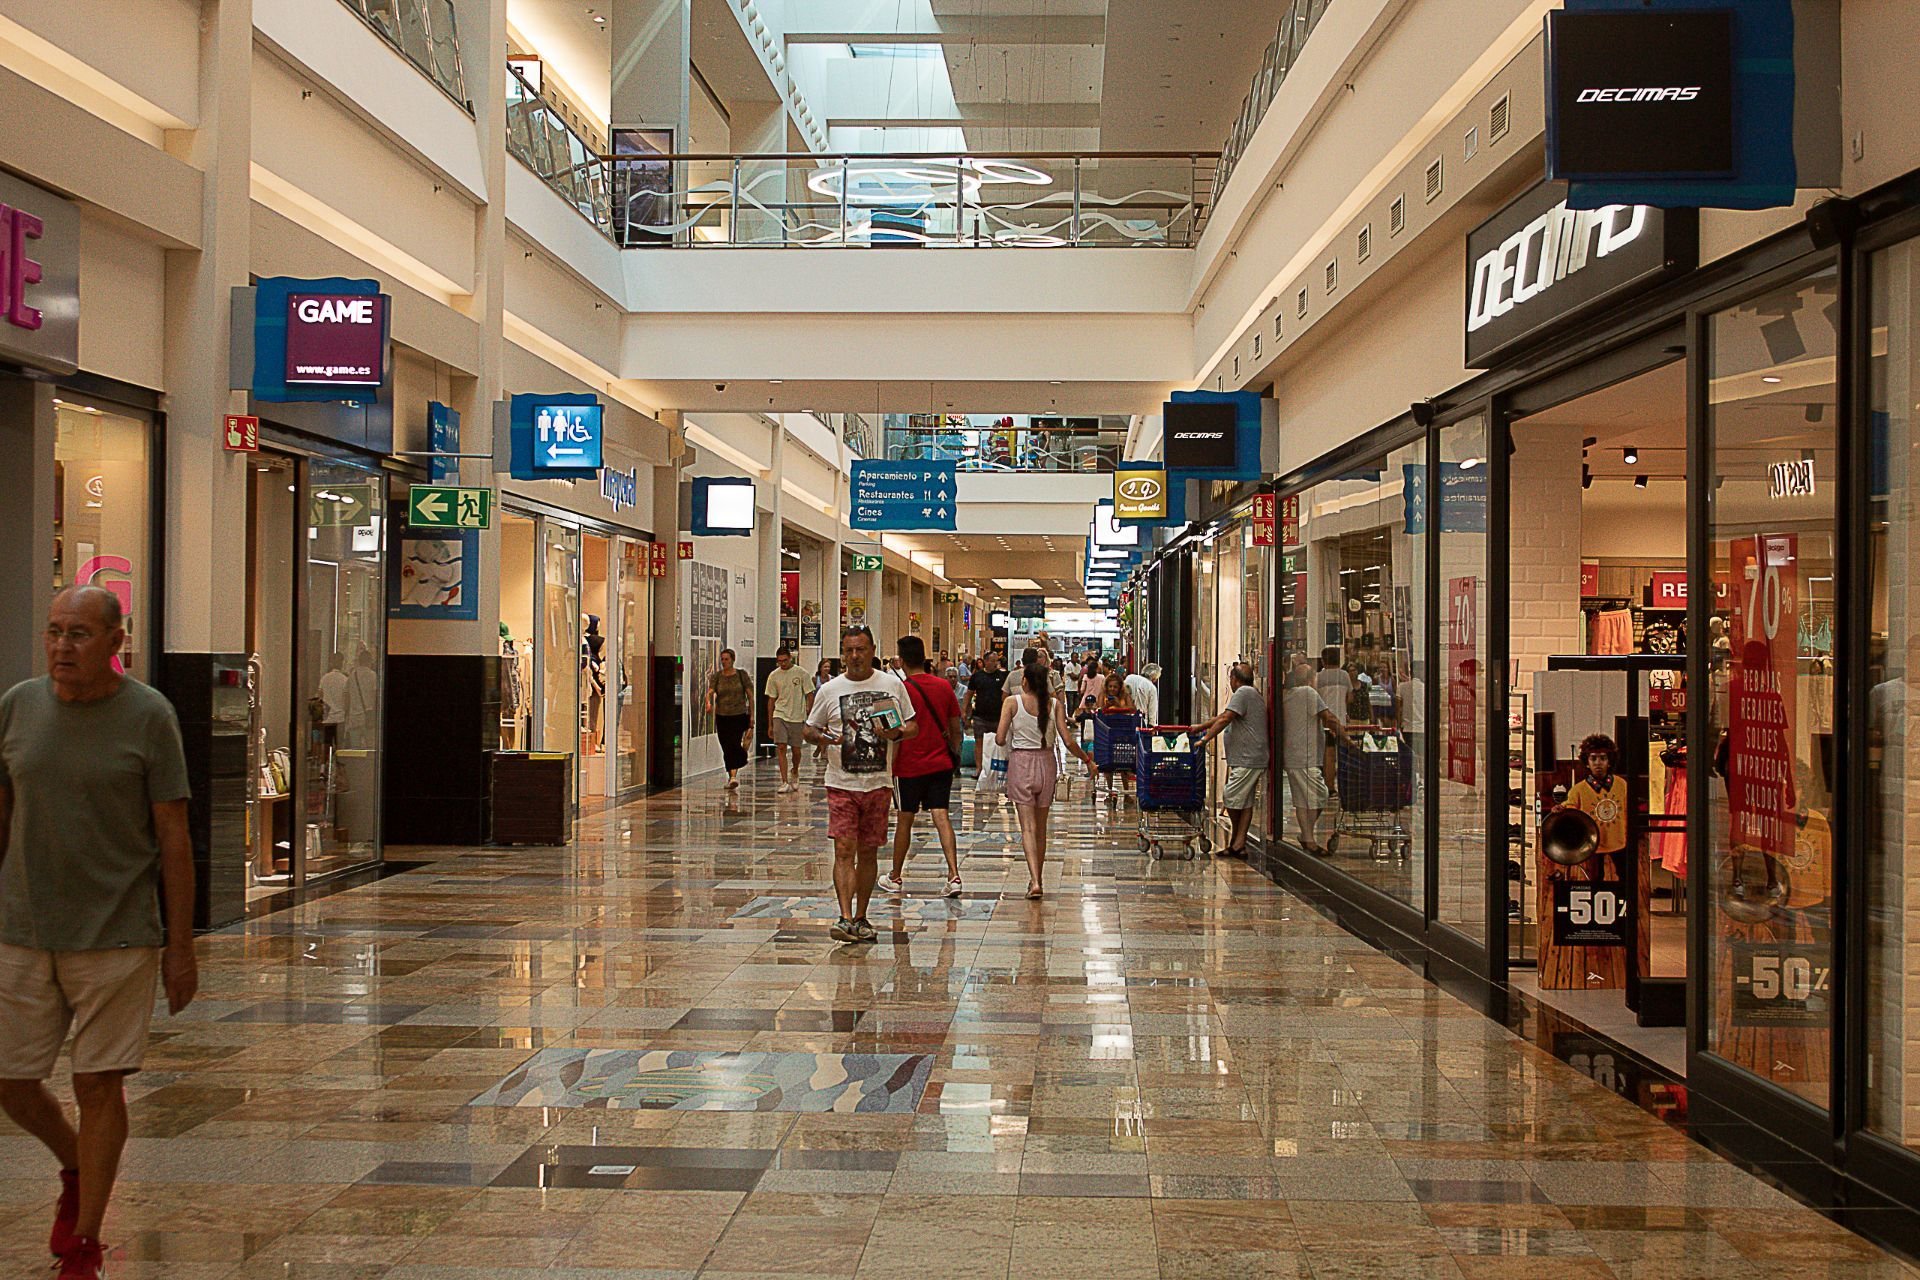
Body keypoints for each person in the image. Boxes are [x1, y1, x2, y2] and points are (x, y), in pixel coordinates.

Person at [0, 586, 198, 1280]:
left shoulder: (149, 716)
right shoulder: (18, 706)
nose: (62, 647)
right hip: (22, 926)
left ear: (116, 642)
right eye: (54, 631)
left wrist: (180, 947)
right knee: (11, 1080)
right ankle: (74, 1165)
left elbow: (174, 836)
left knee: (97, 1084)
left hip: (118, 933)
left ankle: (84, 1241)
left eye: (79, 634)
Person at [804, 628, 917, 943]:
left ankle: (861, 916)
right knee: (843, 848)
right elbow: (809, 729)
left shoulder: (891, 685)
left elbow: (912, 725)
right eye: (849, 650)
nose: (854, 656)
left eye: (861, 649)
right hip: (840, 783)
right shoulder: (830, 690)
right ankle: (844, 917)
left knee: (868, 851)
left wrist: (895, 733)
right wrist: (825, 738)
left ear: (872, 650)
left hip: (878, 783)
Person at [997, 659, 1094, 899]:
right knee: (1041, 829)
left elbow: (999, 738)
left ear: (1025, 682)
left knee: (1028, 828)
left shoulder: (1012, 702)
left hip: (1021, 764)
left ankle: (1035, 881)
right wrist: (1087, 760)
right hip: (1047, 764)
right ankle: (1037, 878)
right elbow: (1068, 740)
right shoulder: (1055, 705)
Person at [879, 636, 964, 899]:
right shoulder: (943, 686)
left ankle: (895, 876)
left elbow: (893, 732)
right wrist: (954, 753)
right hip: (940, 763)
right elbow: (955, 727)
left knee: (905, 819)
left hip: (907, 766)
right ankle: (954, 875)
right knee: (941, 816)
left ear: (901, 661)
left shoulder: (900, 690)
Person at [1194, 664, 1270, 857]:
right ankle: (1238, 843)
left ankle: (1238, 840)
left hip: (1248, 758)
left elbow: (1225, 718)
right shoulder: (1250, 693)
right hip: (1247, 757)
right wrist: (1200, 727)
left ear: (1234, 679)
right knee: (1244, 801)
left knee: (1231, 797)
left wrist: (1205, 739)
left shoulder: (1243, 692)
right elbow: (1223, 715)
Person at [1280, 659, 1352, 854]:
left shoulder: (1288, 695)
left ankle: (1308, 838)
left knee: (1301, 801)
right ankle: (1307, 836)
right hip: (1306, 756)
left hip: (1292, 756)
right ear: (1311, 679)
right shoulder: (1308, 693)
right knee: (1320, 794)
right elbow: (1329, 717)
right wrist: (1346, 738)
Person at [1556, 733, 1629, 866]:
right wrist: (1561, 809)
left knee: (1625, 875)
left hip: (1618, 841)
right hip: (1592, 844)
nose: (1598, 763)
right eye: (1593, 758)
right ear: (1587, 763)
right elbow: (1570, 808)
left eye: (1603, 758)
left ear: (1610, 761)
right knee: (1594, 877)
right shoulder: (1578, 790)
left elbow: (1628, 811)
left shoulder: (1622, 785)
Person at [764, 645, 812, 794]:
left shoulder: (801, 673)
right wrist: (770, 724)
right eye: (779, 661)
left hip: (797, 716)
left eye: (785, 660)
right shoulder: (774, 676)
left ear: (790, 658)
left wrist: (809, 712)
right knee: (781, 747)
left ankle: (795, 770)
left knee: (796, 750)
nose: (782, 663)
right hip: (780, 714)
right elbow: (771, 700)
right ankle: (784, 781)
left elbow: (810, 694)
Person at [706, 647, 754, 789]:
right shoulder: (717, 677)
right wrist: (708, 702)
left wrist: (752, 715)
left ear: (732, 660)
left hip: (738, 714)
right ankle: (733, 773)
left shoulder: (741, 675)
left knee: (734, 743)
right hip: (722, 716)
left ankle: (733, 776)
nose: (724, 662)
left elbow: (750, 696)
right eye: (722, 659)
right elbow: (710, 691)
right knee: (726, 746)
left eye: (726, 659)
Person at [963, 649, 1006, 775]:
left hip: (998, 716)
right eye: (992, 661)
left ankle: (997, 769)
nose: (995, 663)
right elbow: (969, 694)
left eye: (996, 661)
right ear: (985, 661)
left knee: (999, 743)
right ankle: (979, 768)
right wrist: (964, 710)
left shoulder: (1003, 676)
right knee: (979, 742)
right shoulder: (977, 677)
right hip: (980, 716)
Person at [1125, 663, 1161, 728]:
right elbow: (1152, 710)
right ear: (1154, 678)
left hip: (1124, 716)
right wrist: (1151, 726)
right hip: (1140, 721)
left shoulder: (1130, 677)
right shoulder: (1152, 688)